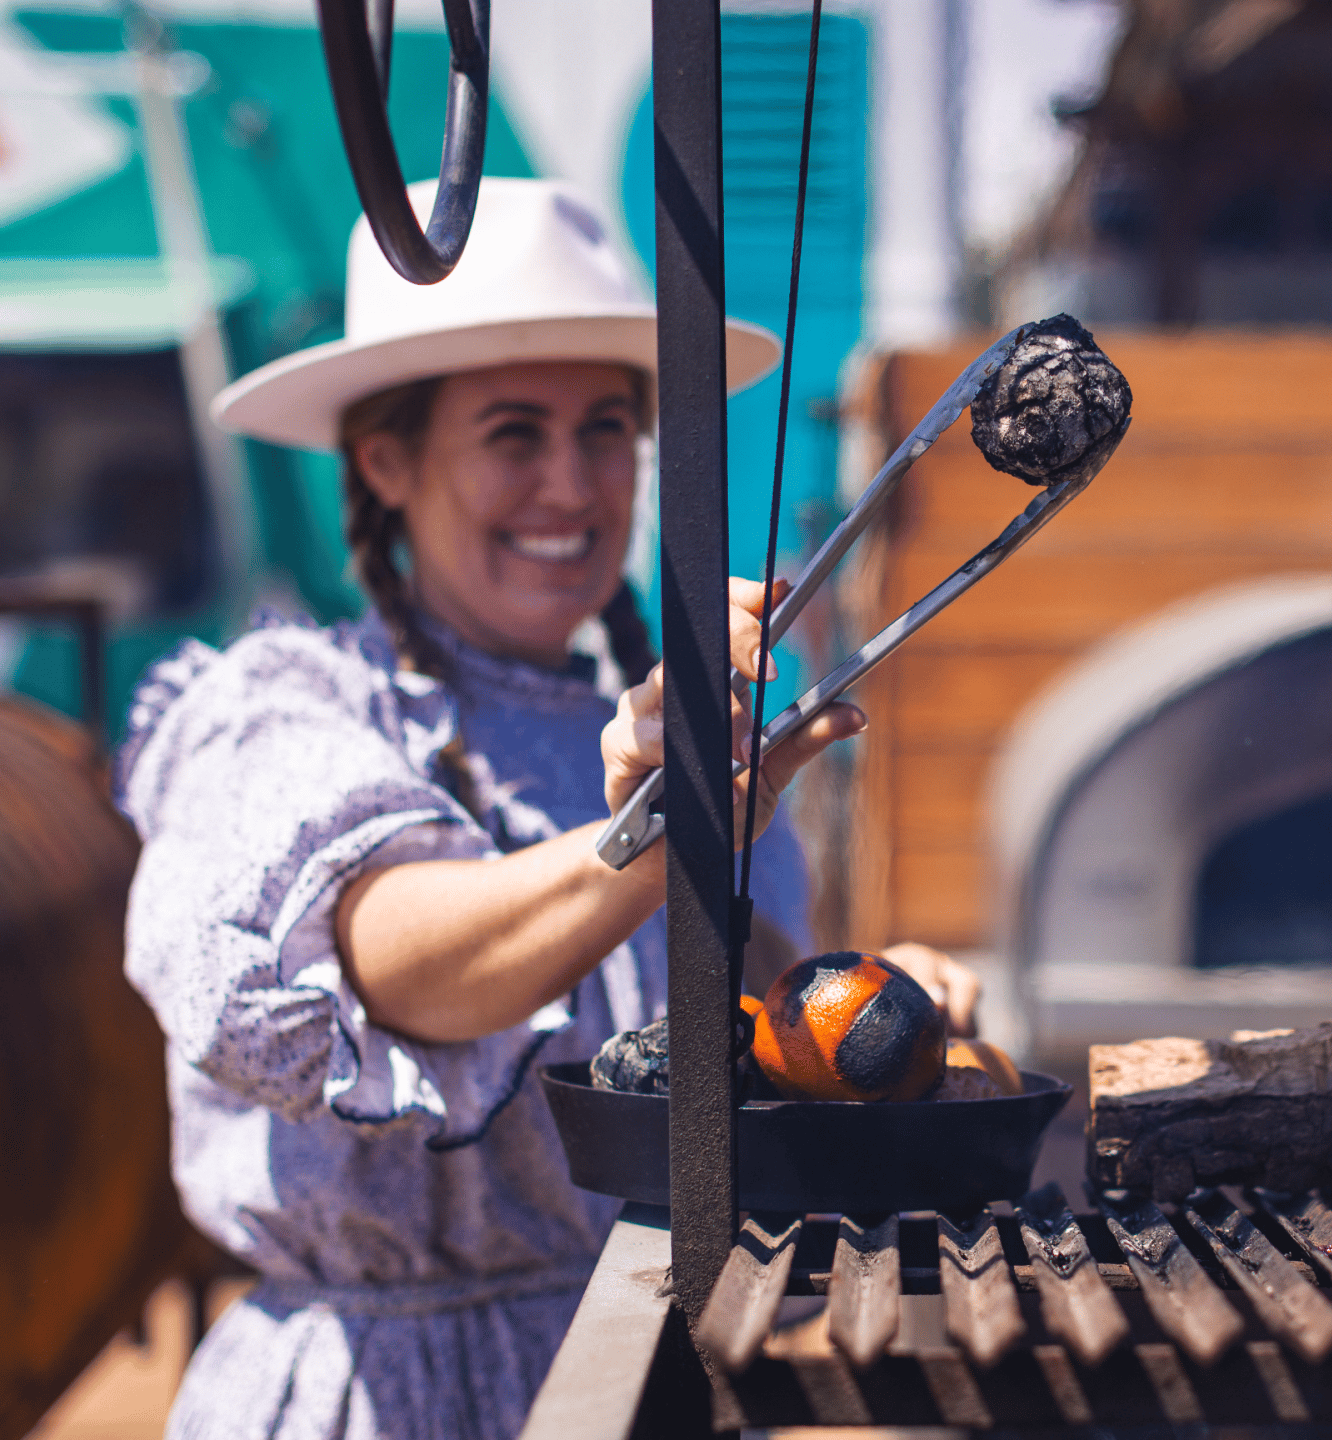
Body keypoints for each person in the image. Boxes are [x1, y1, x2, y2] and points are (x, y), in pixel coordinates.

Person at [116, 178, 976, 1440]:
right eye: (515, 433)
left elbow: (754, 1021)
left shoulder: (676, 721)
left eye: (606, 431)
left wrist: (872, 1016)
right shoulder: (281, 706)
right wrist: (658, 832)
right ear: (387, 460)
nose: (571, 486)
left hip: (654, 1371)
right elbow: (393, 968)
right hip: (379, 1400)